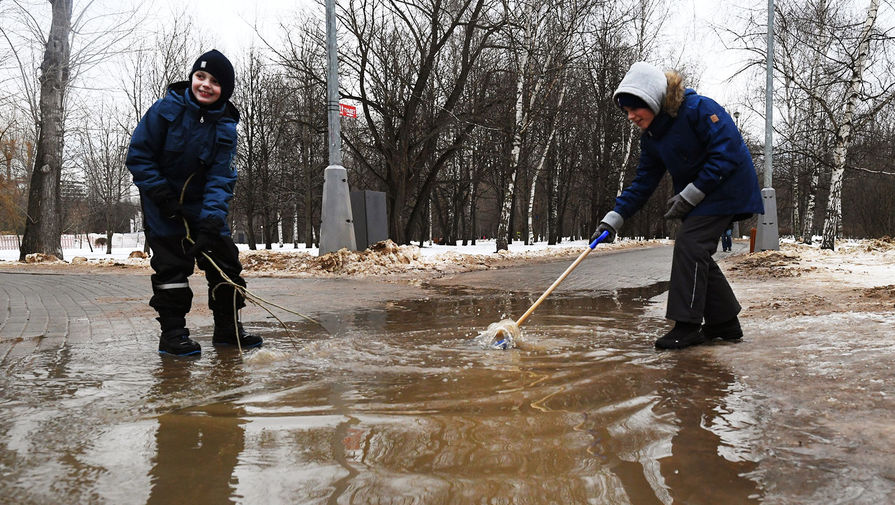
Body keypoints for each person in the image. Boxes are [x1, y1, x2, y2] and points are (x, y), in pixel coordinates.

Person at [593, 61, 763, 349]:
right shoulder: (652, 137)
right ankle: (725, 324)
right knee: (695, 252)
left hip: (729, 187)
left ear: (652, 98)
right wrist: (614, 218)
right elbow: (643, 182)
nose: (631, 116)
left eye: (636, 108)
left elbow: (728, 153)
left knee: (690, 244)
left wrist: (691, 194)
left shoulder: (699, 109)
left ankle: (687, 325)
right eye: (627, 112)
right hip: (703, 195)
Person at [126, 49, 262, 356]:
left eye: (214, 81)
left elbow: (221, 176)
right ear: (191, 78)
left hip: (202, 207)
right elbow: (139, 155)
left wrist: (212, 218)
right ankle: (173, 336)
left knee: (225, 264)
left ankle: (228, 330)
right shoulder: (164, 110)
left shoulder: (226, 128)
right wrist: (161, 195)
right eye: (200, 76)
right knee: (172, 269)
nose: (205, 84)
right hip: (163, 206)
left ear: (223, 90)